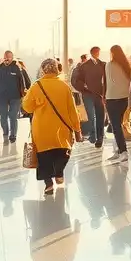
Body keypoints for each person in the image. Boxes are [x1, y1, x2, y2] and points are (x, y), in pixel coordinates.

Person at [22, 58, 82, 194]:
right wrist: (77, 129)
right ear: (57, 69)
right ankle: (59, 172)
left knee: (44, 157)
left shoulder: (36, 86)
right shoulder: (64, 86)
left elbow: (27, 108)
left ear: (43, 70)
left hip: (41, 130)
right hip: (62, 129)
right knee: (61, 153)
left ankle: (48, 184)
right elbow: (73, 110)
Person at [0, 50, 27, 143]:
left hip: (15, 97)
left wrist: (23, 93)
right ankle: (5, 132)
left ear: (12, 58)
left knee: (13, 116)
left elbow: (23, 82)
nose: (6, 59)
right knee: (3, 116)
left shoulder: (17, 69)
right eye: (5, 57)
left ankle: (13, 135)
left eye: (8, 58)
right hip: (1, 97)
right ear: (3, 57)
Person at [105, 44, 131, 164]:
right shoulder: (127, 66)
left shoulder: (109, 65)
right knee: (119, 125)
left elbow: (109, 81)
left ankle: (123, 151)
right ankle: (118, 151)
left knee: (115, 126)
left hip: (112, 98)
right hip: (125, 99)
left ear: (112, 53)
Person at [77, 46, 107, 148]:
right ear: (91, 53)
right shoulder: (84, 66)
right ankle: (94, 136)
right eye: (95, 52)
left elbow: (106, 81)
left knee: (100, 116)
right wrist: (84, 88)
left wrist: (105, 93)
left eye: (98, 52)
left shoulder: (103, 65)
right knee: (91, 116)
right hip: (88, 94)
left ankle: (100, 138)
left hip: (99, 94)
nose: (97, 54)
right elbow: (78, 80)